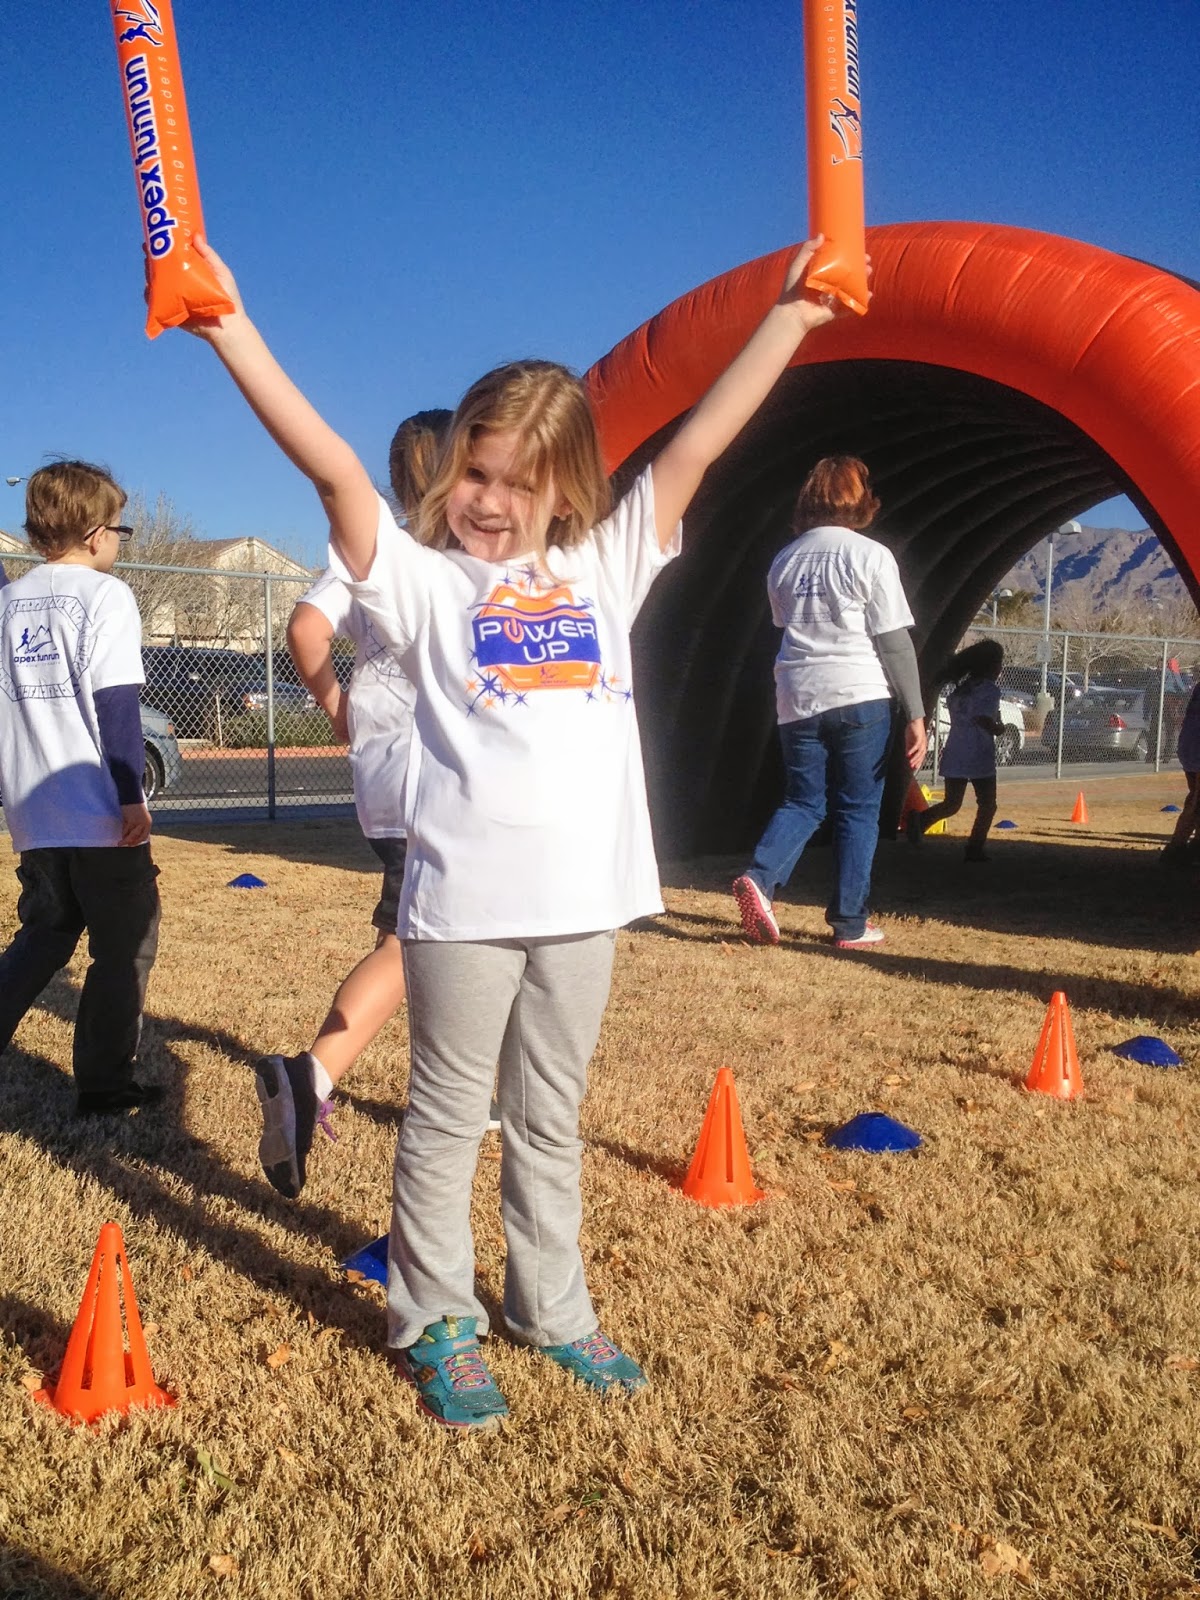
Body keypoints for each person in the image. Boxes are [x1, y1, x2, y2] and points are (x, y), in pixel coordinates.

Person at [178, 230, 847, 1430]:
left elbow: (699, 441)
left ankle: (553, 1308)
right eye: (475, 474)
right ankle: (436, 1317)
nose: (489, 501)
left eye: (517, 483)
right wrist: (232, 330)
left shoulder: (606, 565)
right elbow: (333, 472)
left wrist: (792, 319)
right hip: (463, 904)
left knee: (548, 1115)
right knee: (446, 1116)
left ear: (566, 489)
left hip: (586, 901)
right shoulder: (425, 582)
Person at [255, 410, 451, 1199]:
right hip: (439, 775)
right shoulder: (464, 553)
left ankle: (430, 1079)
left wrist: (339, 704)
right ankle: (312, 1076)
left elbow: (305, 630)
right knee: (421, 942)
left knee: (403, 933)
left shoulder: (371, 547)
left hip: (380, 770)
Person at [0, 461, 161, 1114]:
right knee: (125, 948)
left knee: (46, 932)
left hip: (34, 814)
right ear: (96, 533)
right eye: (120, 528)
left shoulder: (8, 602)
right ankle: (104, 1083)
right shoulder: (105, 596)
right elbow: (117, 705)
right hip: (98, 814)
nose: (120, 540)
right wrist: (130, 796)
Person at [731, 456, 926, 950]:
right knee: (858, 809)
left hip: (797, 693)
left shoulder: (784, 560)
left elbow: (785, 625)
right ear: (861, 499)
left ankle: (760, 877)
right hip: (860, 693)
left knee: (803, 801)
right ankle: (849, 923)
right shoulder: (871, 555)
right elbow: (893, 642)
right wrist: (916, 713)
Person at [908, 639, 1004, 861]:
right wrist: (999, 729)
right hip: (978, 753)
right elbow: (984, 720)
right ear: (991, 666)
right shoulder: (989, 690)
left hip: (956, 750)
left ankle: (920, 821)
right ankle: (975, 847)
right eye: (999, 662)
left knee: (952, 803)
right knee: (987, 804)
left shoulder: (962, 690)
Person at [1160, 678, 1200, 863]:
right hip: (1195, 747)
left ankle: (1193, 847)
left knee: (1195, 798)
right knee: (1195, 802)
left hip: (1189, 746)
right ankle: (1175, 849)